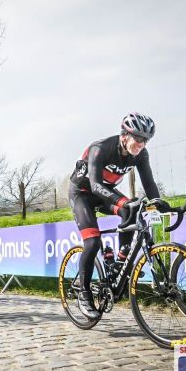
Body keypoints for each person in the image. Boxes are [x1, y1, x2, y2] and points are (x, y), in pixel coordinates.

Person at [68, 113, 169, 319]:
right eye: (138, 138)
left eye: (146, 140)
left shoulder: (141, 154)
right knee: (93, 242)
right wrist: (123, 201)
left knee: (131, 210)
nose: (141, 144)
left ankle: (120, 263)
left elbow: (148, 182)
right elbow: (95, 185)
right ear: (124, 135)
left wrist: (158, 202)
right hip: (83, 193)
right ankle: (84, 294)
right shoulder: (101, 148)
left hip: (104, 193)